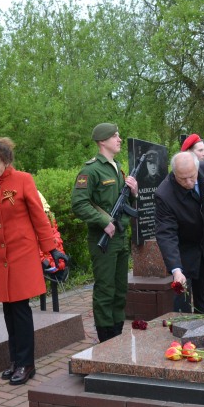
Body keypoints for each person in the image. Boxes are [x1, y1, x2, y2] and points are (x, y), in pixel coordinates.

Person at [0, 139, 57, 386]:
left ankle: (26, 363)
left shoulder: (23, 180)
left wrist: (51, 249)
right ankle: (15, 360)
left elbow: (39, 217)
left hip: (22, 255)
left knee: (20, 309)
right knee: (8, 310)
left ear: (7, 161)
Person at [70, 123, 138, 343]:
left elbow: (124, 201)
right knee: (105, 290)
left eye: (118, 135)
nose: (119, 139)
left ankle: (117, 334)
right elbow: (79, 204)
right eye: (114, 136)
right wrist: (103, 221)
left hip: (120, 238)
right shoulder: (90, 170)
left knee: (120, 289)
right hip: (104, 239)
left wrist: (134, 192)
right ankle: (105, 337)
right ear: (102, 141)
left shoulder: (117, 167)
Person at [154, 152, 204, 313]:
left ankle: (203, 326)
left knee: (202, 294)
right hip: (184, 247)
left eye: (192, 176)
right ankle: (182, 330)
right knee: (182, 295)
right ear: (174, 173)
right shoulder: (164, 194)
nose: (189, 182)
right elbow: (166, 234)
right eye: (182, 179)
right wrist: (176, 270)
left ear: (197, 168)